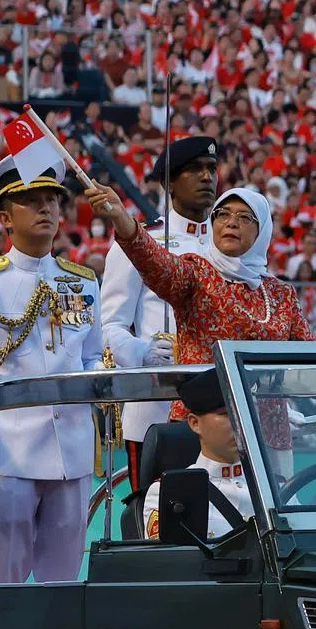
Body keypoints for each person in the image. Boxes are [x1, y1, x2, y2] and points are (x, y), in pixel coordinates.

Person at [0, 155, 103, 584]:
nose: (47, 209)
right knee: (4, 576)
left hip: (72, 445)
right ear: (6, 218)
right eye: (33, 201)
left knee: (64, 573)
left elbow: (91, 356)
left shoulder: (83, 281)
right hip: (7, 445)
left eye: (53, 200)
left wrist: (105, 379)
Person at [84, 178, 313, 472]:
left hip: (266, 429)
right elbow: (156, 263)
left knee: (265, 517)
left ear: (262, 231)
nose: (232, 223)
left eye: (244, 217)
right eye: (223, 214)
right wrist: (122, 219)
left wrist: (284, 392)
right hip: (202, 428)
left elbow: (307, 360)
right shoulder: (196, 274)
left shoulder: (280, 294)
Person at [100, 135, 218, 489]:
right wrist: (142, 352)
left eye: (212, 169)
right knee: (154, 519)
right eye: (194, 170)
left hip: (223, 409)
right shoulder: (139, 241)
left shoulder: (230, 243)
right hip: (159, 404)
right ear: (169, 183)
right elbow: (109, 325)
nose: (206, 177)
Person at [143, 368, 252, 539]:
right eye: (226, 415)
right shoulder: (171, 493)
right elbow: (170, 561)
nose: (239, 425)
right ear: (195, 423)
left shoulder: (271, 487)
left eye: (243, 414)